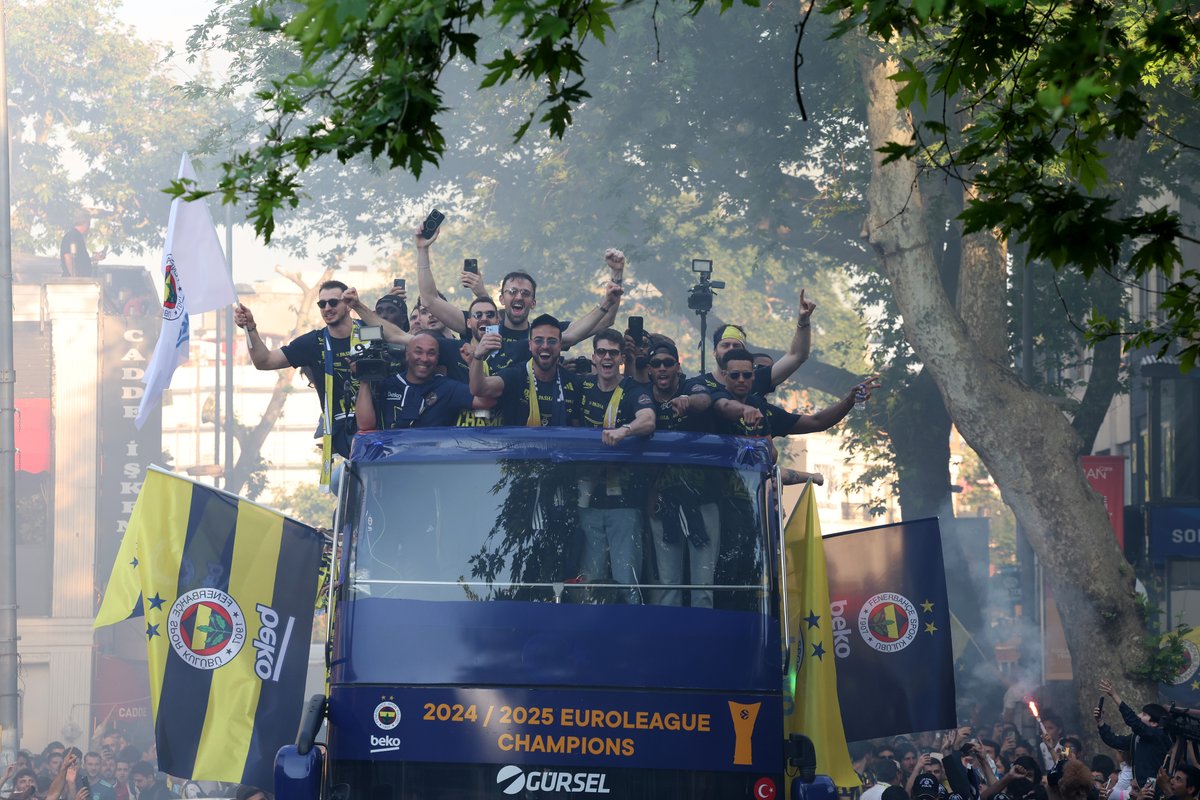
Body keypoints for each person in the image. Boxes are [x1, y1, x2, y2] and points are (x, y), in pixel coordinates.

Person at [415, 225, 624, 368]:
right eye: (512, 292)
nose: (518, 297)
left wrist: (616, 276)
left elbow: (606, 319)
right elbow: (430, 300)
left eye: (525, 294)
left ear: (533, 302)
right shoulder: (482, 323)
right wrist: (422, 249)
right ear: (501, 299)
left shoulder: (544, 334)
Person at [571, 329, 656, 603]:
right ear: (594, 357)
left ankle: (632, 635)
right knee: (590, 576)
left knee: (626, 576)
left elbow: (648, 419)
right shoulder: (582, 386)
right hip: (586, 498)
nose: (607, 357)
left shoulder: (632, 389)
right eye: (601, 352)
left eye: (613, 353)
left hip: (624, 501)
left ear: (621, 358)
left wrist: (625, 430)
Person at [711, 348, 879, 442]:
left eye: (747, 375)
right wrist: (743, 411)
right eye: (735, 375)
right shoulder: (715, 393)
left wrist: (849, 400)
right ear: (725, 375)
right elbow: (723, 406)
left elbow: (816, 422)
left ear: (752, 376)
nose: (741, 379)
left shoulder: (762, 408)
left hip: (750, 493)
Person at [686, 288, 817, 397]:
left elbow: (797, 356)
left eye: (736, 345)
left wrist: (803, 320)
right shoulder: (700, 384)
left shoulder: (756, 379)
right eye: (725, 345)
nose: (731, 349)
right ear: (714, 351)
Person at [469, 314, 584, 427]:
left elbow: (577, 432)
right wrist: (478, 356)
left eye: (552, 341)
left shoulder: (573, 383)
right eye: (538, 340)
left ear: (560, 346)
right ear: (530, 345)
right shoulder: (516, 376)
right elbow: (479, 389)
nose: (545, 346)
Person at [353, 332, 479, 429]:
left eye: (431, 353)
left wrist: (473, 362)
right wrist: (364, 378)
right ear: (407, 354)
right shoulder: (389, 384)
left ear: (437, 358)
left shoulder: (448, 387)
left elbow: (485, 401)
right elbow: (365, 425)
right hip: (392, 459)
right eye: (418, 352)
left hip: (434, 459)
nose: (424, 359)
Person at [1096, 679, 1173, 786]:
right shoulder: (1136, 737)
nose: (1139, 716)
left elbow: (1133, 721)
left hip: (1155, 789)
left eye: (1144, 714)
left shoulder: (1158, 736)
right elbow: (1113, 740)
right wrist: (1100, 721)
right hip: (1138, 788)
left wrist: (1114, 695)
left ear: (1154, 723)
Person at [60, 211, 106, 278]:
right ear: (86, 223)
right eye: (89, 223)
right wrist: (73, 277)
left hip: (81, 279)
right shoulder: (73, 235)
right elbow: (68, 256)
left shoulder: (77, 236)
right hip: (74, 281)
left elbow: (79, 260)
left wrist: (94, 258)